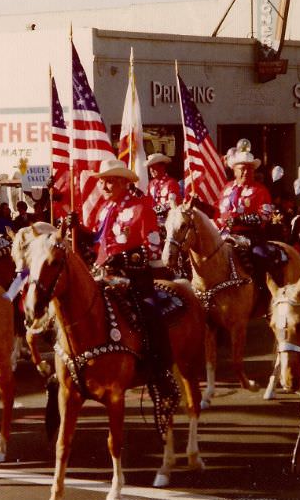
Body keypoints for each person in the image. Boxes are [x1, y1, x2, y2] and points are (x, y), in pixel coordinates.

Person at [87, 159, 179, 415]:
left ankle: (161, 371)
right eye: (102, 181)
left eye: (108, 181)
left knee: (150, 311)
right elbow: (97, 243)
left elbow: (152, 247)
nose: (103, 185)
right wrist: (77, 230)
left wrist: (124, 259)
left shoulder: (142, 207)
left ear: (123, 183)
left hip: (134, 277)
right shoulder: (104, 209)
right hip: (104, 274)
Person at [215, 147, 283, 289]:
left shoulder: (260, 190)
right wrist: (199, 206)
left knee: (261, 255)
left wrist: (240, 220)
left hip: (250, 237)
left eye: (250, 169)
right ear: (234, 171)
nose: (246, 172)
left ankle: (272, 291)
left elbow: (264, 216)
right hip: (224, 235)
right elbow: (216, 212)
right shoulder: (226, 189)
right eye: (242, 169)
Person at [146, 153, 181, 227]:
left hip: (169, 222)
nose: (151, 170)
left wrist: (155, 210)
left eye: (154, 167)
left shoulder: (171, 183)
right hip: (154, 222)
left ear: (162, 167)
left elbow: (171, 203)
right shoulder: (151, 184)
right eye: (150, 167)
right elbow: (148, 202)